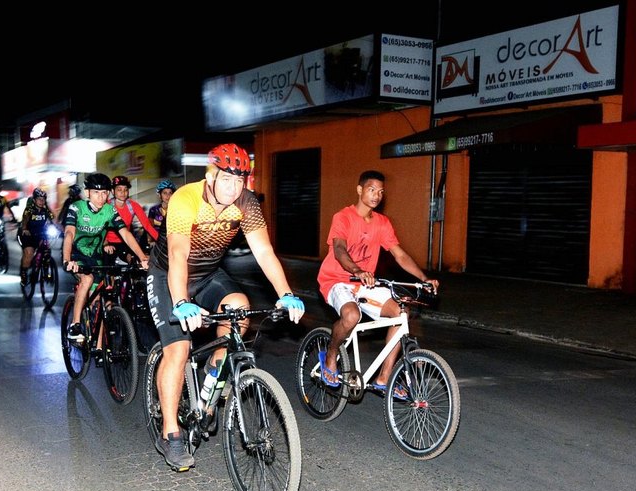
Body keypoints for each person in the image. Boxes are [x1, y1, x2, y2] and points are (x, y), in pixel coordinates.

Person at [146, 143, 305, 471]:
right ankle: (170, 435)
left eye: (240, 181)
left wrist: (286, 292)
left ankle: (211, 379)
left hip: (208, 274)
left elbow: (263, 252)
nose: (234, 188)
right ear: (211, 175)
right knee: (177, 349)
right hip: (168, 275)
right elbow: (177, 254)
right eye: (228, 180)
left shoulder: (246, 203)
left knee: (239, 308)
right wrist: (181, 302)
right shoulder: (186, 199)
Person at [317, 170, 439, 397]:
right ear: (360, 190)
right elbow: (340, 249)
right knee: (352, 316)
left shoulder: (382, 223)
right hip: (337, 280)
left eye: (381, 191)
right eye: (372, 189)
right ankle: (330, 357)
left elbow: (400, 255)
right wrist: (357, 270)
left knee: (400, 311)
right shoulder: (343, 217)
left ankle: (384, 378)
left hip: (365, 284)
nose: (376, 195)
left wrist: (424, 279)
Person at [62, 173, 149, 359]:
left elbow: (125, 233)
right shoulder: (76, 208)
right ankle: (75, 325)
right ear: (87, 193)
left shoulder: (109, 210)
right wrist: (67, 259)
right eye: (96, 193)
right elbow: (69, 233)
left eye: (104, 193)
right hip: (77, 255)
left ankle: (100, 347)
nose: (101, 197)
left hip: (96, 256)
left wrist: (142, 257)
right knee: (87, 279)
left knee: (105, 300)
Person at [103, 176, 159, 261]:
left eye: (126, 189)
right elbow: (100, 228)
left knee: (133, 261)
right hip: (108, 242)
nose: (123, 192)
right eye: (119, 190)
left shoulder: (133, 205)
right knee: (106, 263)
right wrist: (105, 244)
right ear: (112, 191)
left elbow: (147, 226)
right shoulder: (106, 206)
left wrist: (162, 242)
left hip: (126, 241)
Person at [18, 188, 54, 286]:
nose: (42, 201)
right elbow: (25, 220)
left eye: (43, 199)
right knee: (29, 253)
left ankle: (46, 272)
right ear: (34, 200)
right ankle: (24, 273)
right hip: (27, 234)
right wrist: (25, 229)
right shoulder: (29, 209)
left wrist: (63, 230)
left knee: (47, 250)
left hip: (40, 233)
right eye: (39, 199)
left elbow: (53, 220)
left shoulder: (46, 208)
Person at [147, 179, 176, 244]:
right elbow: (149, 227)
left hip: (172, 241)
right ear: (160, 195)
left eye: (170, 193)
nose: (167, 196)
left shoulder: (176, 210)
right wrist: (150, 241)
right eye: (164, 193)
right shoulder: (153, 210)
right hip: (156, 242)